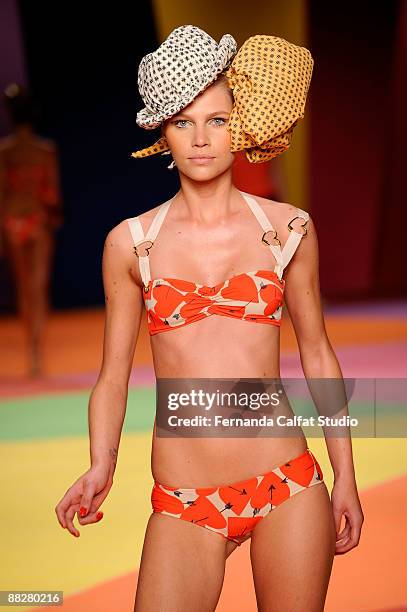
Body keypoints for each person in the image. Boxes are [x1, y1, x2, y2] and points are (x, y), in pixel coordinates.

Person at [55, 26, 364, 611]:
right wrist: (101, 465)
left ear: (238, 127)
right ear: (163, 133)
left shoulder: (288, 228)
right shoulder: (131, 244)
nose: (201, 139)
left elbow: (318, 353)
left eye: (216, 121)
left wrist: (345, 473)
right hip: (184, 497)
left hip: (288, 482)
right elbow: (112, 373)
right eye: (183, 122)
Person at [0, 83, 63, 376]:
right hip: (37, 222)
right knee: (38, 289)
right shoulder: (44, 150)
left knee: (24, 290)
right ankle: (37, 351)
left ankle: (32, 350)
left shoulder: (6, 151)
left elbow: (1, 193)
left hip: (13, 222)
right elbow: (52, 194)